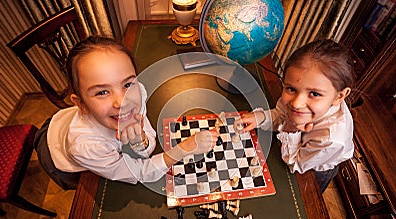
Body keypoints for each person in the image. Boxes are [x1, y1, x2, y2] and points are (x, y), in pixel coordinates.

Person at [34, 36, 219, 189]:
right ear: (81, 104)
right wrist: (184, 148)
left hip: (68, 121)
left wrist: (140, 142)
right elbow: (137, 173)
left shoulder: (137, 93)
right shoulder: (85, 147)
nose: (122, 102)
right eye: (102, 92)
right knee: (83, 183)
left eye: (127, 84)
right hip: (55, 148)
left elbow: (146, 147)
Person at [234, 39, 354, 192]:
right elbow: (281, 115)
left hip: (312, 166)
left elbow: (295, 163)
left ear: (339, 96)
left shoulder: (331, 139)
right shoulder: (298, 97)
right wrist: (261, 118)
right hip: (293, 145)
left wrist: (291, 129)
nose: (297, 103)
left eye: (314, 94)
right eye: (290, 89)